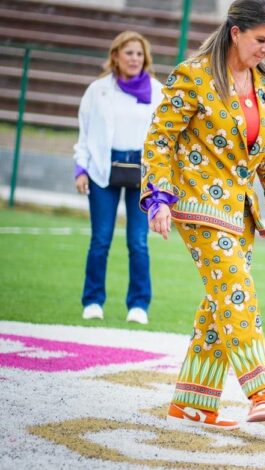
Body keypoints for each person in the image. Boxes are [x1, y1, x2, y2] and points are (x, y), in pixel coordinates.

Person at [141, 0, 265, 430]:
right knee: (235, 292)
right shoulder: (194, 76)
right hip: (196, 203)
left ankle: (194, 401)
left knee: (219, 300)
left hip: (241, 212)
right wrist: (158, 195)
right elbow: (160, 137)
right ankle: (260, 385)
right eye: (261, 40)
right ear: (235, 33)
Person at [73, 31, 163, 325]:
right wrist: (81, 168)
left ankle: (139, 305)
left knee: (138, 241)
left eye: (139, 54)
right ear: (116, 56)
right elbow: (85, 133)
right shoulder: (97, 90)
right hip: (103, 169)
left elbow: (164, 138)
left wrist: (161, 180)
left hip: (142, 172)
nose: (134, 59)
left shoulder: (157, 91)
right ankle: (93, 300)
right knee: (100, 239)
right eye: (129, 53)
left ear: (145, 58)